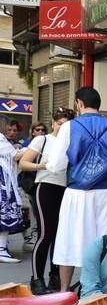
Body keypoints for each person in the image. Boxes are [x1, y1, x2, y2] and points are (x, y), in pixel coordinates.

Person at [46, 87, 107, 289]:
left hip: (77, 193)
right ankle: (101, 290)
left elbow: (56, 165)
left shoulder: (68, 127)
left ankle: (64, 291)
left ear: (79, 103)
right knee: (106, 242)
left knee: (69, 241)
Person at [18, 108, 76, 291]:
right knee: (45, 234)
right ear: (53, 123)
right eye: (59, 124)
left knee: (60, 237)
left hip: (66, 190)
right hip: (45, 187)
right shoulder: (43, 139)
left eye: (65, 125)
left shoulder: (71, 142)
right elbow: (23, 162)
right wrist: (44, 165)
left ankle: (55, 277)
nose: (61, 128)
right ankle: (37, 279)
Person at [0, 114, 24, 263]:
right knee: (5, 212)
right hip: (3, 182)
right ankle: (1, 249)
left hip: (5, 180)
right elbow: (14, 155)